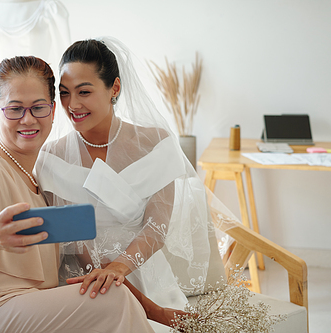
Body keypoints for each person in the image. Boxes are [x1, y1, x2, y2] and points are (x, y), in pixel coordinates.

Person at [0, 55, 154, 333]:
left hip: (26, 309)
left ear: (52, 111)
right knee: (113, 300)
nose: (27, 119)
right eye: (14, 109)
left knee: (108, 291)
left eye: (38, 107)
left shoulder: (36, 180)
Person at [35, 37, 235, 332]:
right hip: (82, 280)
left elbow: (157, 226)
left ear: (114, 88)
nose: (72, 105)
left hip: (141, 270)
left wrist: (119, 268)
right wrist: (146, 306)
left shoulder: (156, 144)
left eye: (84, 92)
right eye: (64, 93)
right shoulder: (51, 157)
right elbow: (74, 241)